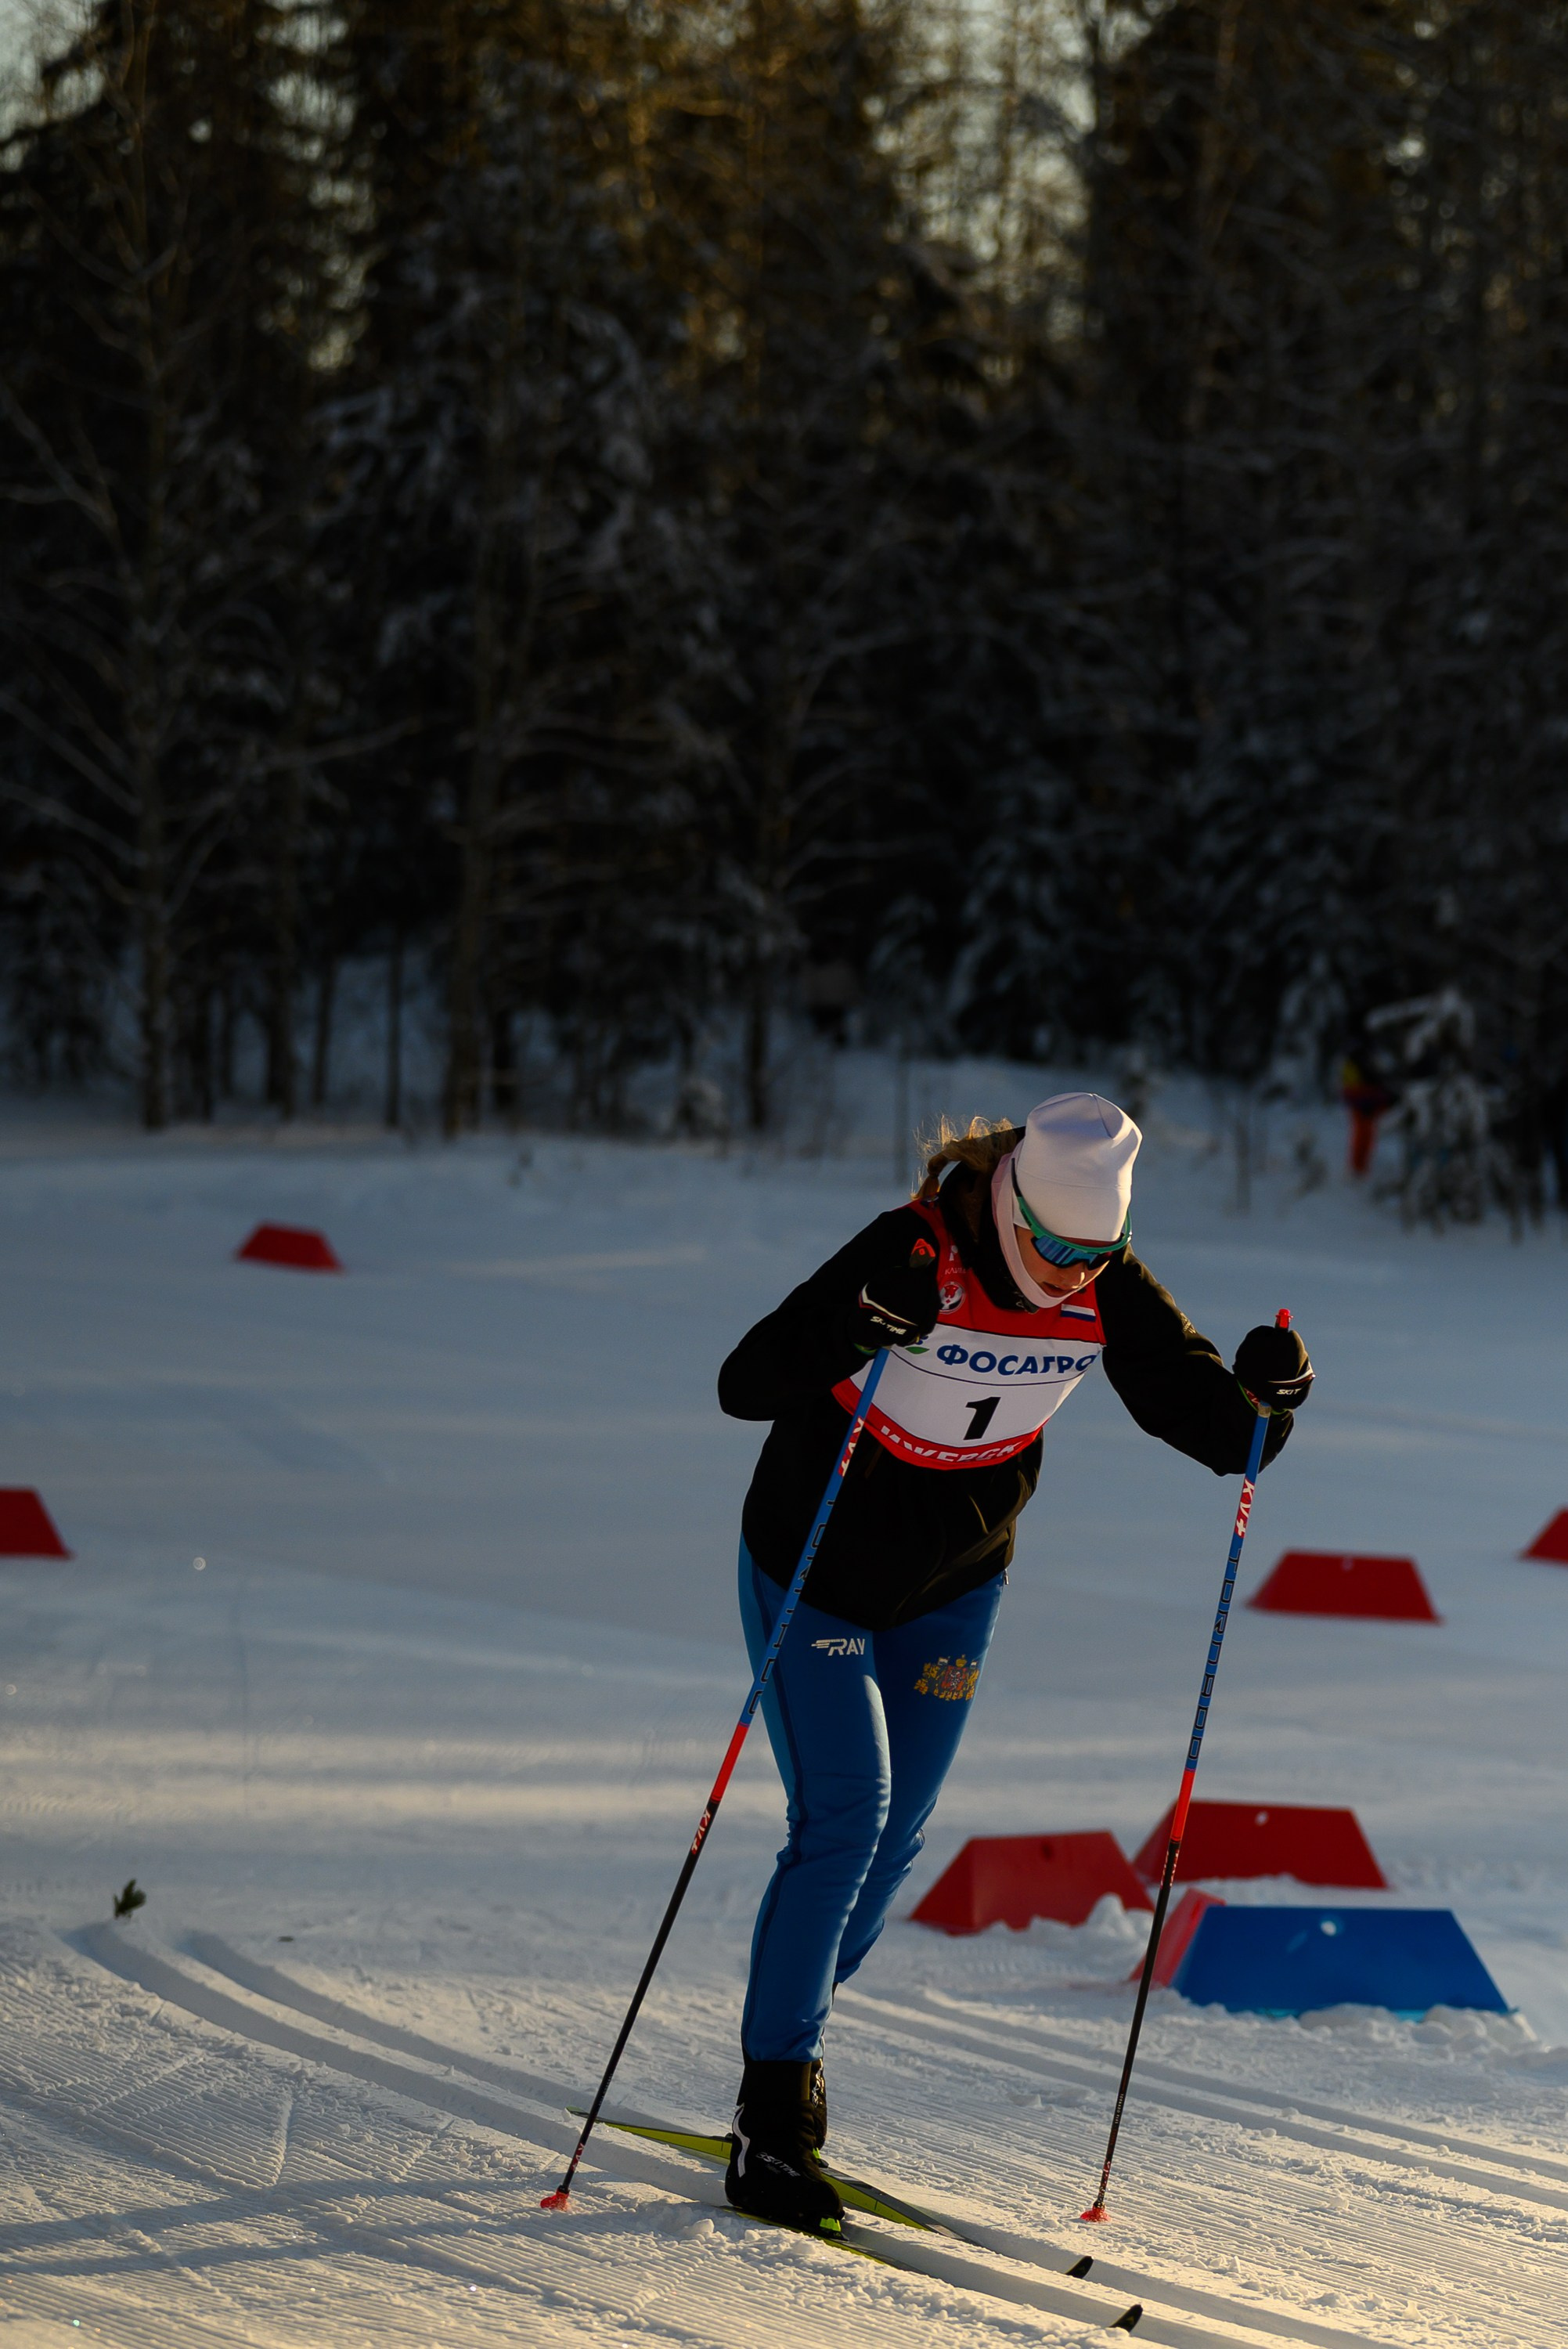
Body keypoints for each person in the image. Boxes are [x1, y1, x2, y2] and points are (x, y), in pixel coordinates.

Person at [716, 1094, 1313, 2232]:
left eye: (1097, 1256)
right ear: (1011, 1209)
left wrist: (1269, 1397)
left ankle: (789, 2029)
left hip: (955, 1586)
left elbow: (1221, 1432)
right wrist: (854, 1326)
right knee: (846, 1815)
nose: (1071, 1277)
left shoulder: (1103, 1278)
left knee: (894, 1840)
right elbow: (745, 1382)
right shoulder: (917, 1248)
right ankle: (773, 2114)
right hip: (815, 1566)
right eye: (1054, 1251)